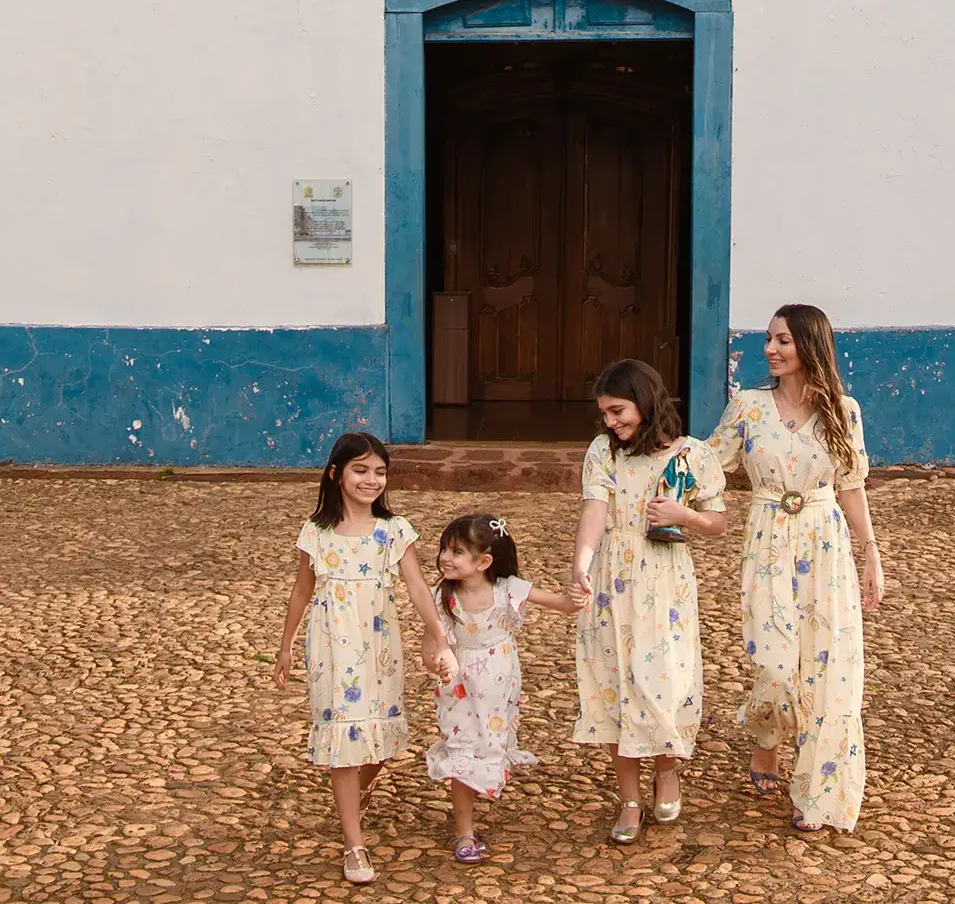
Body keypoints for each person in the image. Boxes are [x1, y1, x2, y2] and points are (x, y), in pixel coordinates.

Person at [707, 304, 886, 832]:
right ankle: (766, 740)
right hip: (766, 541)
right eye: (768, 339)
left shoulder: (843, 411)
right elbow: (707, 464)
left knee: (828, 669)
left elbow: (850, 484)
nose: (770, 349)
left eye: (782, 340)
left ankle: (818, 790)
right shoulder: (748, 407)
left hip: (824, 542)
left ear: (809, 346)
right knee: (774, 664)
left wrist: (870, 551)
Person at [273, 432, 457, 885]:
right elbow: (302, 589)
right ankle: (354, 844)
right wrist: (285, 645)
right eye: (360, 469)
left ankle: (360, 789)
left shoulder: (393, 530)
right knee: (344, 743)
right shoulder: (315, 533)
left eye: (379, 471)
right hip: (332, 648)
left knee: (378, 739)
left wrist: (440, 637)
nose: (371, 479)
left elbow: (416, 587)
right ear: (336, 474)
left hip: (378, 646)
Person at [567, 358, 727, 845]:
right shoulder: (604, 452)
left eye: (618, 411)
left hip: (665, 581)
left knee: (662, 679)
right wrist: (582, 563)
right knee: (614, 681)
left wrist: (685, 515)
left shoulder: (693, 455)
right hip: (614, 576)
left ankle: (667, 771)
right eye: (605, 415)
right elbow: (595, 509)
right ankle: (629, 798)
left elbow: (718, 521)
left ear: (645, 400)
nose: (610, 422)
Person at [426, 514, 582, 863]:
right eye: (444, 550)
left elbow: (564, 605)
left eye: (457, 551)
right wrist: (440, 658)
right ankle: (464, 831)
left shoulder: (507, 590)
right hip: (460, 688)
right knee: (462, 749)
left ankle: (481, 789)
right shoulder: (441, 597)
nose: (445, 558)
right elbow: (429, 648)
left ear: (484, 562)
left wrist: (578, 590)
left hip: (498, 687)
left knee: (489, 744)